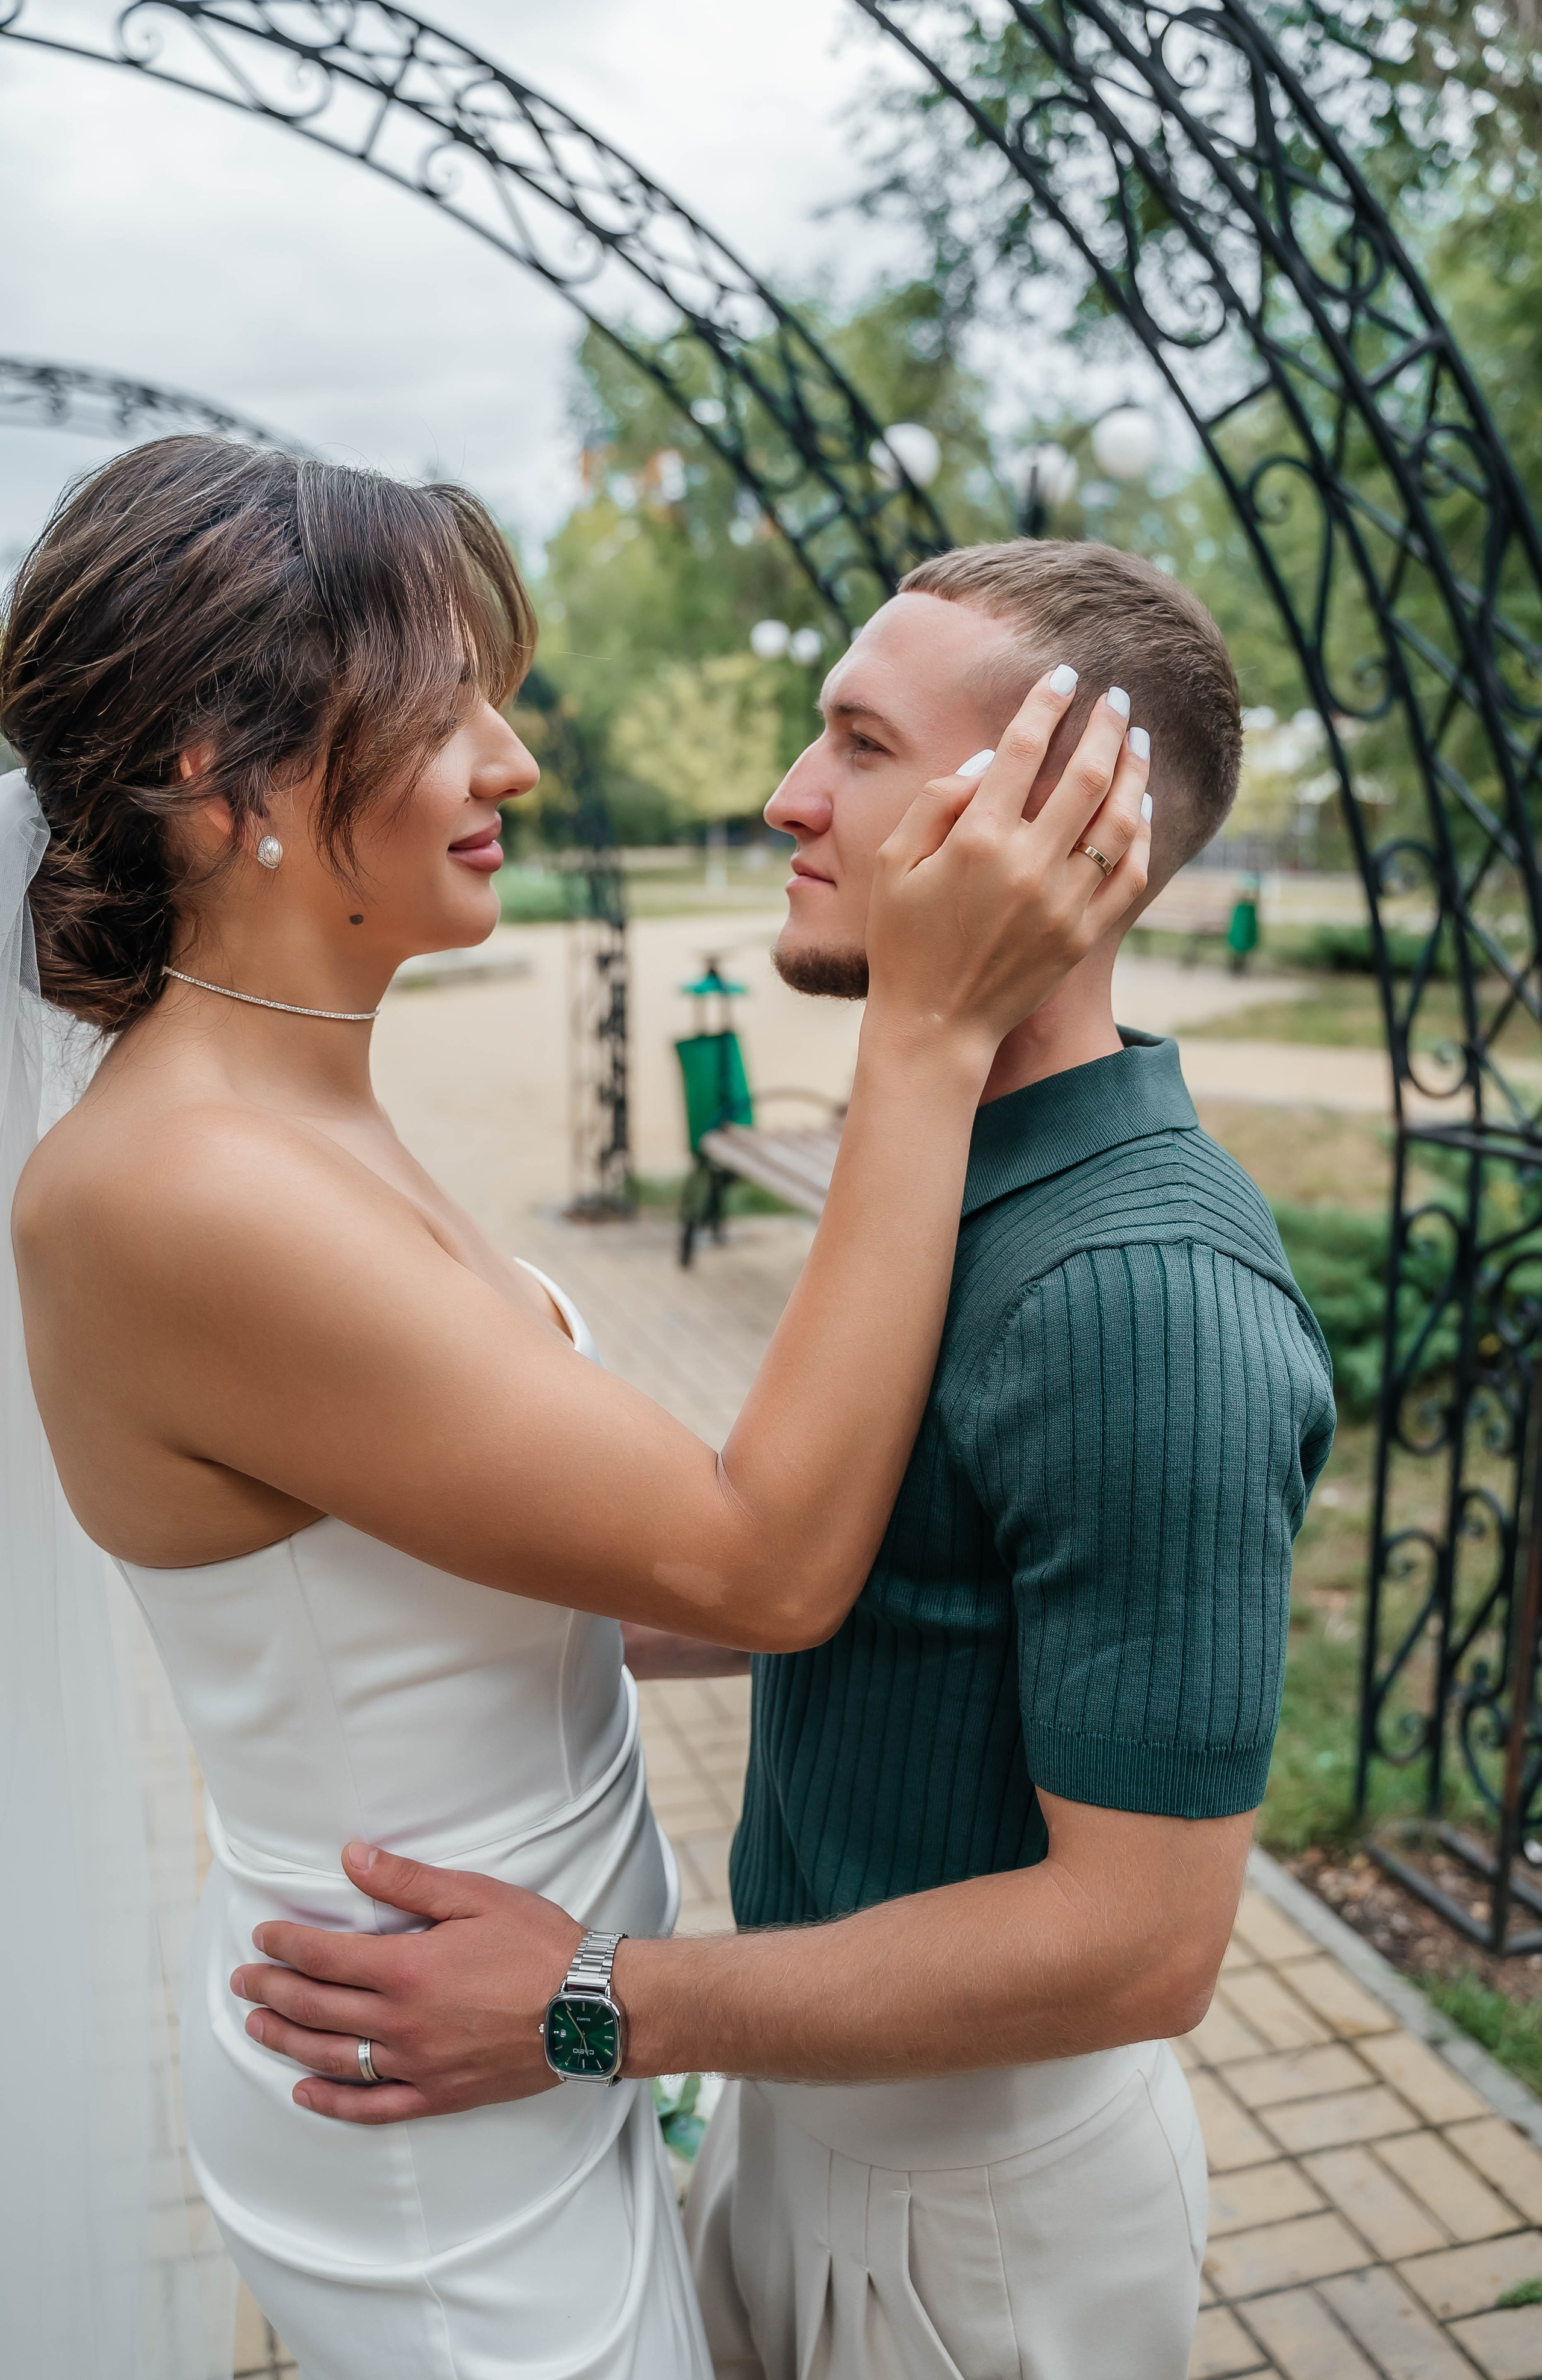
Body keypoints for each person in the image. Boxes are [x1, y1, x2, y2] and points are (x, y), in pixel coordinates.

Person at [3, 446, 1147, 2380]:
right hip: (430, 2130)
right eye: (447, 706)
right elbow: (761, 1559)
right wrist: (929, 1034)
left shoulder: (298, 1097)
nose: (515, 761)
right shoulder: (177, 1190)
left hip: (500, 2037)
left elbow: (494, 1575)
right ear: (219, 767)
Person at [239, 540, 1337, 2380]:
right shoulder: (958, 1177)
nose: (787, 796)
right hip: (802, 2116)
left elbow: (1143, 1941)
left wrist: (587, 2011)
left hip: (976, 2233)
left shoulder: (1142, 1293)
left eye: (859, 744)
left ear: (1053, 822)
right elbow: (897, 1581)